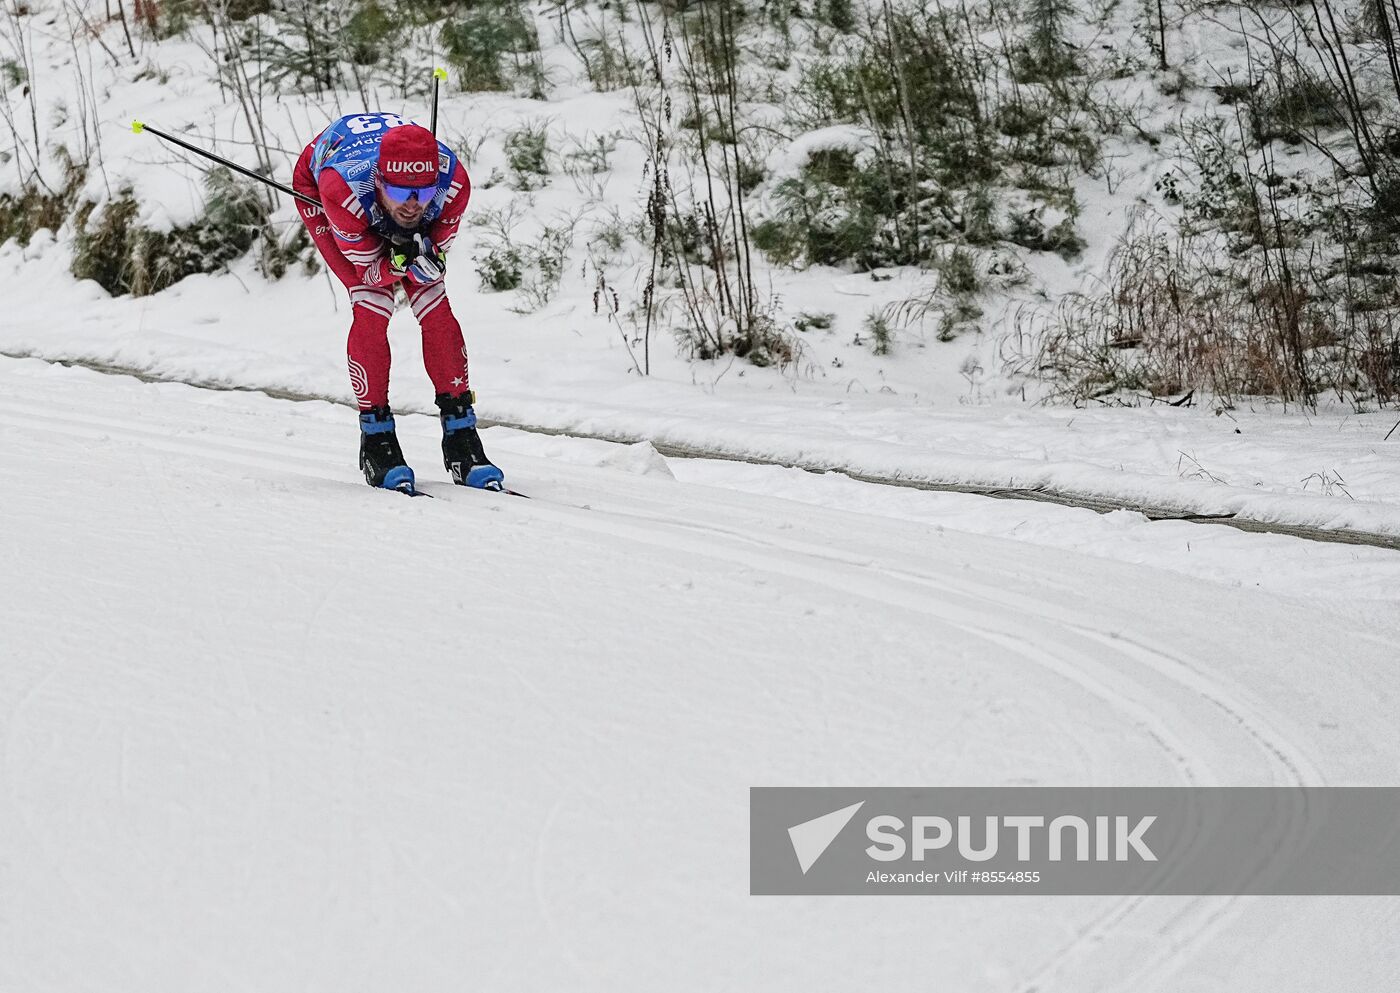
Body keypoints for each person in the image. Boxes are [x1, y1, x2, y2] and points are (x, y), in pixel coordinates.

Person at [292, 112, 502, 493]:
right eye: (401, 193)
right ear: (379, 181)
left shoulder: (453, 184)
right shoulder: (343, 190)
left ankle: (460, 435)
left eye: (422, 194)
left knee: (434, 298)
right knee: (372, 302)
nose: (412, 205)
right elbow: (371, 271)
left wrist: (419, 257)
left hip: (380, 180)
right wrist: (394, 262)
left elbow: (429, 260)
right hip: (320, 180)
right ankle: (376, 439)